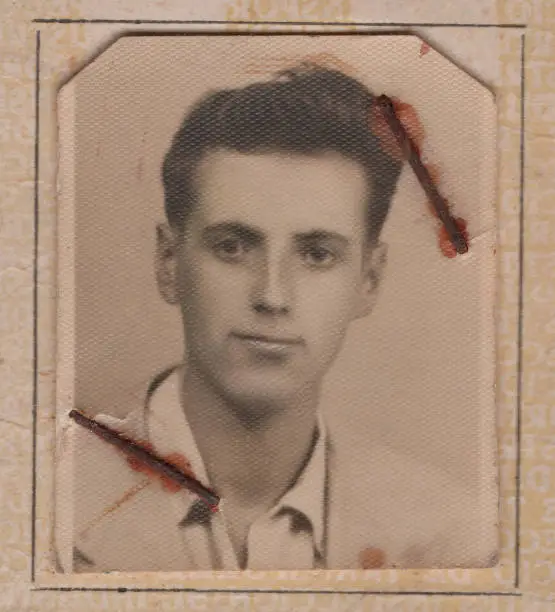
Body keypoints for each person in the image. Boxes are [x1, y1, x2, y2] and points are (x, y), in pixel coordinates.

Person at [68, 63, 497, 572]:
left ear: (369, 280)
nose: (272, 295)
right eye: (232, 246)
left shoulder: (450, 540)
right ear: (168, 262)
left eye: (317, 255)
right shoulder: (47, 501)